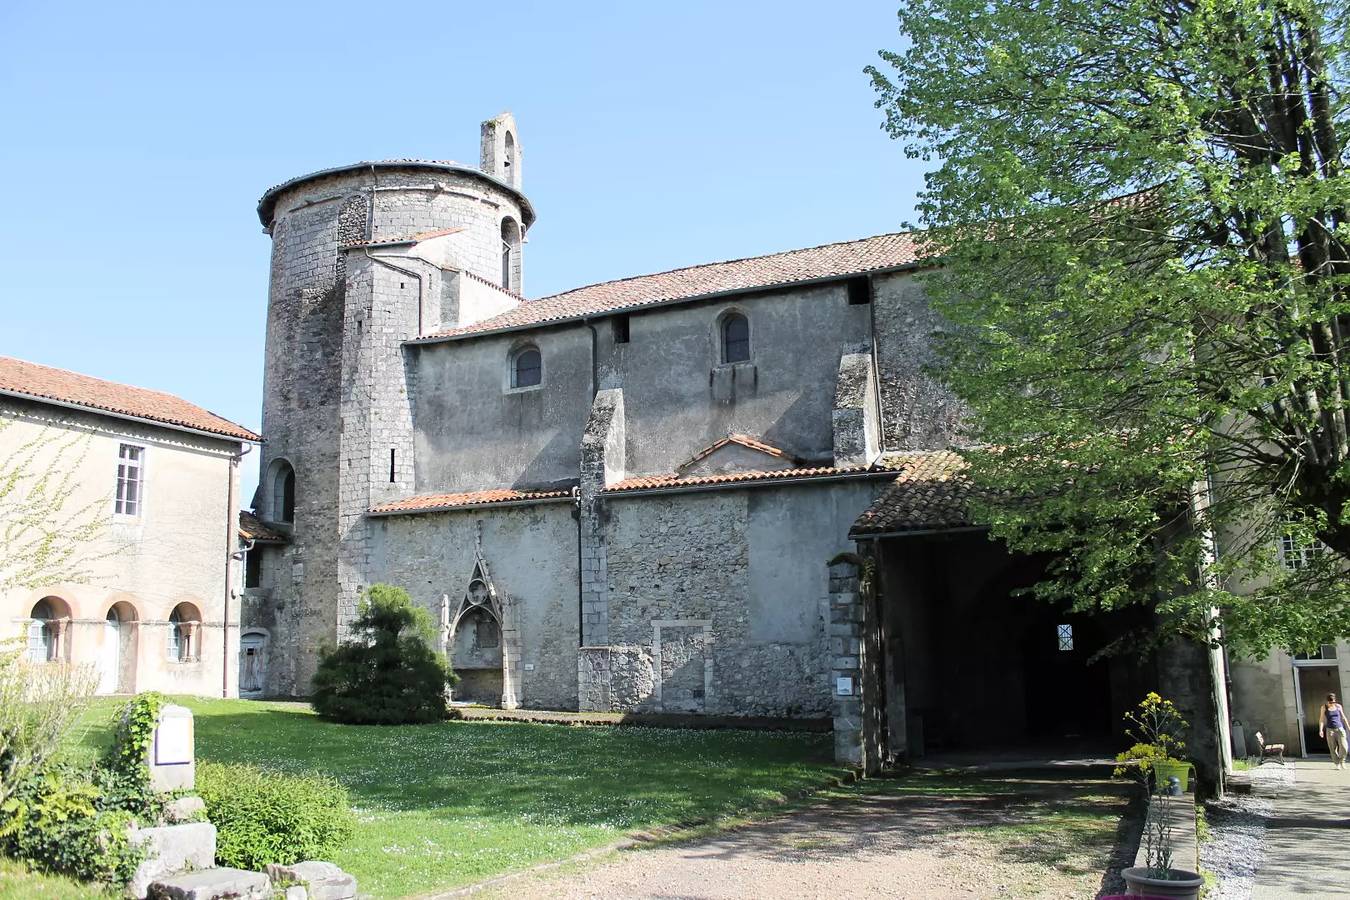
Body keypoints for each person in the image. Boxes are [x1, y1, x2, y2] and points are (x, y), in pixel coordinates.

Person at [1319, 692, 1348, 769]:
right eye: (1330, 702)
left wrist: (1348, 727)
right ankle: (1337, 763)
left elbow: (1343, 717)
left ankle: (1342, 761)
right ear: (1327, 701)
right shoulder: (1324, 707)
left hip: (1340, 729)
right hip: (1330, 730)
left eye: (1333, 702)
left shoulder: (1338, 706)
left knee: (1344, 747)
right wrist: (1321, 730)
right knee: (1332, 748)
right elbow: (1321, 719)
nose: (1332, 704)